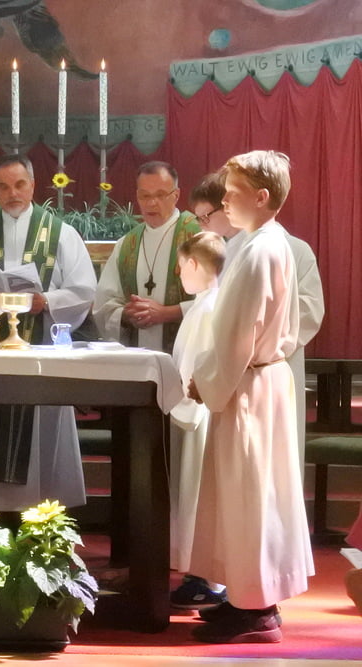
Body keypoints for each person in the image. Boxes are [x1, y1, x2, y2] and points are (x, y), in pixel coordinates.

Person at [188, 150, 312, 644]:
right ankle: (250, 598)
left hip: (248, 385)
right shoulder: (260, 242)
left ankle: (255, 610)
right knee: (248, 497)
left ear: (261, 197)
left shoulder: (261, 250)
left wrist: (204, 379)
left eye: (232, 192)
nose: (223, 201)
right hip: (254, 383)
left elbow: (239, 332)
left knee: (251, 500)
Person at [0, 154, 96, 510]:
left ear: (33, 186)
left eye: (20, 185)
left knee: (41, 437)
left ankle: (42, 513)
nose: (13, 193)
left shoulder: (62, 235)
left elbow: (84, 290)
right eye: (3, 187)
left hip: (40, 355)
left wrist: (45, 301)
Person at [192, 169, 325, 475]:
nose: (227, 202)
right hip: (229, 365)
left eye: (232, 195)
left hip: (267, 366)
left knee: (269, 467)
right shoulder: (226, 251)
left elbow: (310, 310)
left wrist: (262, 341)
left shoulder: (293, 249)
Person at [166, 231, 227, 609]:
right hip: (196, 410)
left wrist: (180, 404)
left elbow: (195, 364)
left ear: (192, 264)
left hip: (197, 414)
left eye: (180, 265)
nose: (178, 273)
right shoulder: (206, 304)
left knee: (197, 496)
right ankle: (200, 573)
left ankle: (205, 578)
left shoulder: (207, 309)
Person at [93, 161, 202, 352]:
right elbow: (104, 304)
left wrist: (168, 313)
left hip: (185, 354)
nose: (152, 203)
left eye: (160, 195)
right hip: (138, 359)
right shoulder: (127, 244)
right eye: (145, 196)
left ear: (176, 195)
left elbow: (218, 301)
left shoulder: (199, 237)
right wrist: (126, 314)